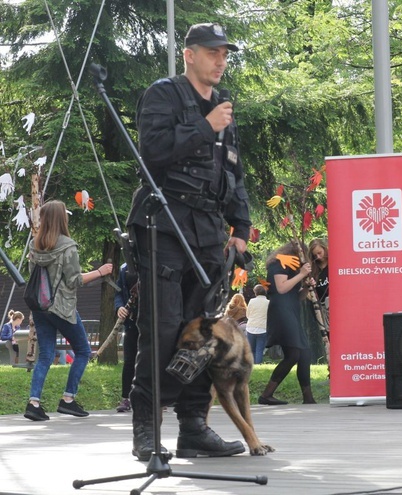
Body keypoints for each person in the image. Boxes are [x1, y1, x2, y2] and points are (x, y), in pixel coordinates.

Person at [126, 22, 251, 460]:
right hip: (164, 225)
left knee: (205, 332)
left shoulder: (223, 107)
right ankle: (146, 431)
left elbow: (232, 173)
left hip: (208, 233)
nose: (220, 60)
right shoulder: (165, 95)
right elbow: (154, 151)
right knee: (162, 332)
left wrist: (241, 228)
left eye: (224, 53)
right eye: (212, 52)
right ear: (189, 55)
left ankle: (194, 428)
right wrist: (204, 125)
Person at [24, 200, 114, 421]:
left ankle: (33, 403)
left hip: (40, 307)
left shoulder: (34, 246)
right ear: (62, 219)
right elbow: (74, 280)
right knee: (83, 351)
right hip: (62, 308)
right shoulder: (67, 246)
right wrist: (100, 272)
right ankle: (68, 400)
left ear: (45, 220)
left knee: (45, 355)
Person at [259, 241, 315, 405]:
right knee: (294, 354)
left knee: (303, 354)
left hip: (291, 310)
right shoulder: (278, 262)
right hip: (281, 311)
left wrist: (305, 286)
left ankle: (308, 397)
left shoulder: (292, 268)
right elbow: (281, 289)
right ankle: (266, 395)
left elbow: (297, 296)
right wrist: (301, 274)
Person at [114, 262, 139, 413]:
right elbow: (118, 293)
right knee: (129, 360)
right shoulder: (124, 267)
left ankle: (157, 398)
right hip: (132, 322)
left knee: (153, 359)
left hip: (152, 321)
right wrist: (119, 307)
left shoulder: (155, 261)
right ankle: (126, 398)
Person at [308, 238, 330, 361]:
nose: (318, 256)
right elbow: (309, 295)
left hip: (338, 305)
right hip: (322, 309)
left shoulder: (335, 263)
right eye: (315, 255)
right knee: (328, 340)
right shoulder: (313, 270)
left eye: (320, 252)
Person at [246, 284, 269, 364]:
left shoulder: (252, 301)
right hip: (263, 328)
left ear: (255, 293)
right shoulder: (268, 303)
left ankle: (251, 365)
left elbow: (247, 314)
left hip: (251, 327)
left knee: (251, 349)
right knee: (259, 350)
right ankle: (258, 364)